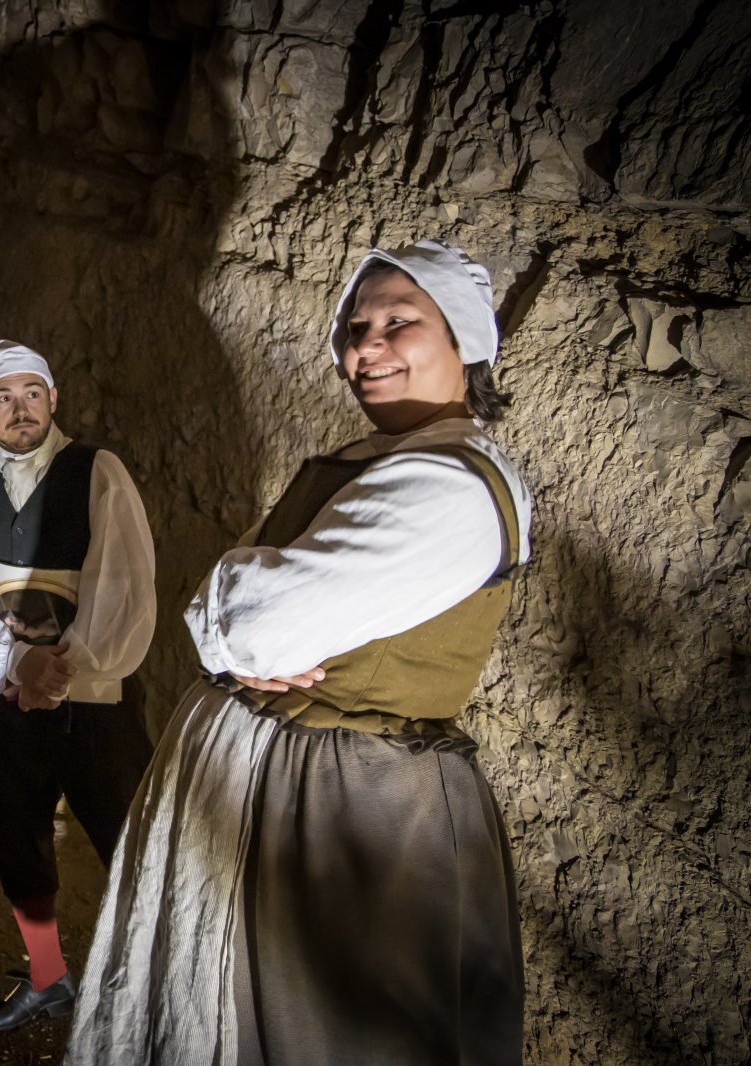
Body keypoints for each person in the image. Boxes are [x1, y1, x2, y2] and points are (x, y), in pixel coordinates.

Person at [67, 241, 530, 1064]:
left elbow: (251, 622)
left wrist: (222, 619)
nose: (366, 346)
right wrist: (226, 609)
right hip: (282, 786)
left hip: (347, 807)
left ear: (464, 341)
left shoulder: (448, 487)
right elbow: (234, 598)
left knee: (320, 1029)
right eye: (356, 326)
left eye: (399, 322)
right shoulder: (380, 462)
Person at [0, 341, 156, 1032]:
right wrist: (15, 666)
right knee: (18, 843)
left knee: (133, 845)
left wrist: (62, 672)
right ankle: (48, 978)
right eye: (4, 397)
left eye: (32, 393)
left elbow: (123, 585)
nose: (20, 408)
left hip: (95, 708)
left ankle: (153, 994)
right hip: (9, 706)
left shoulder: (98, 473)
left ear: (53, 400)